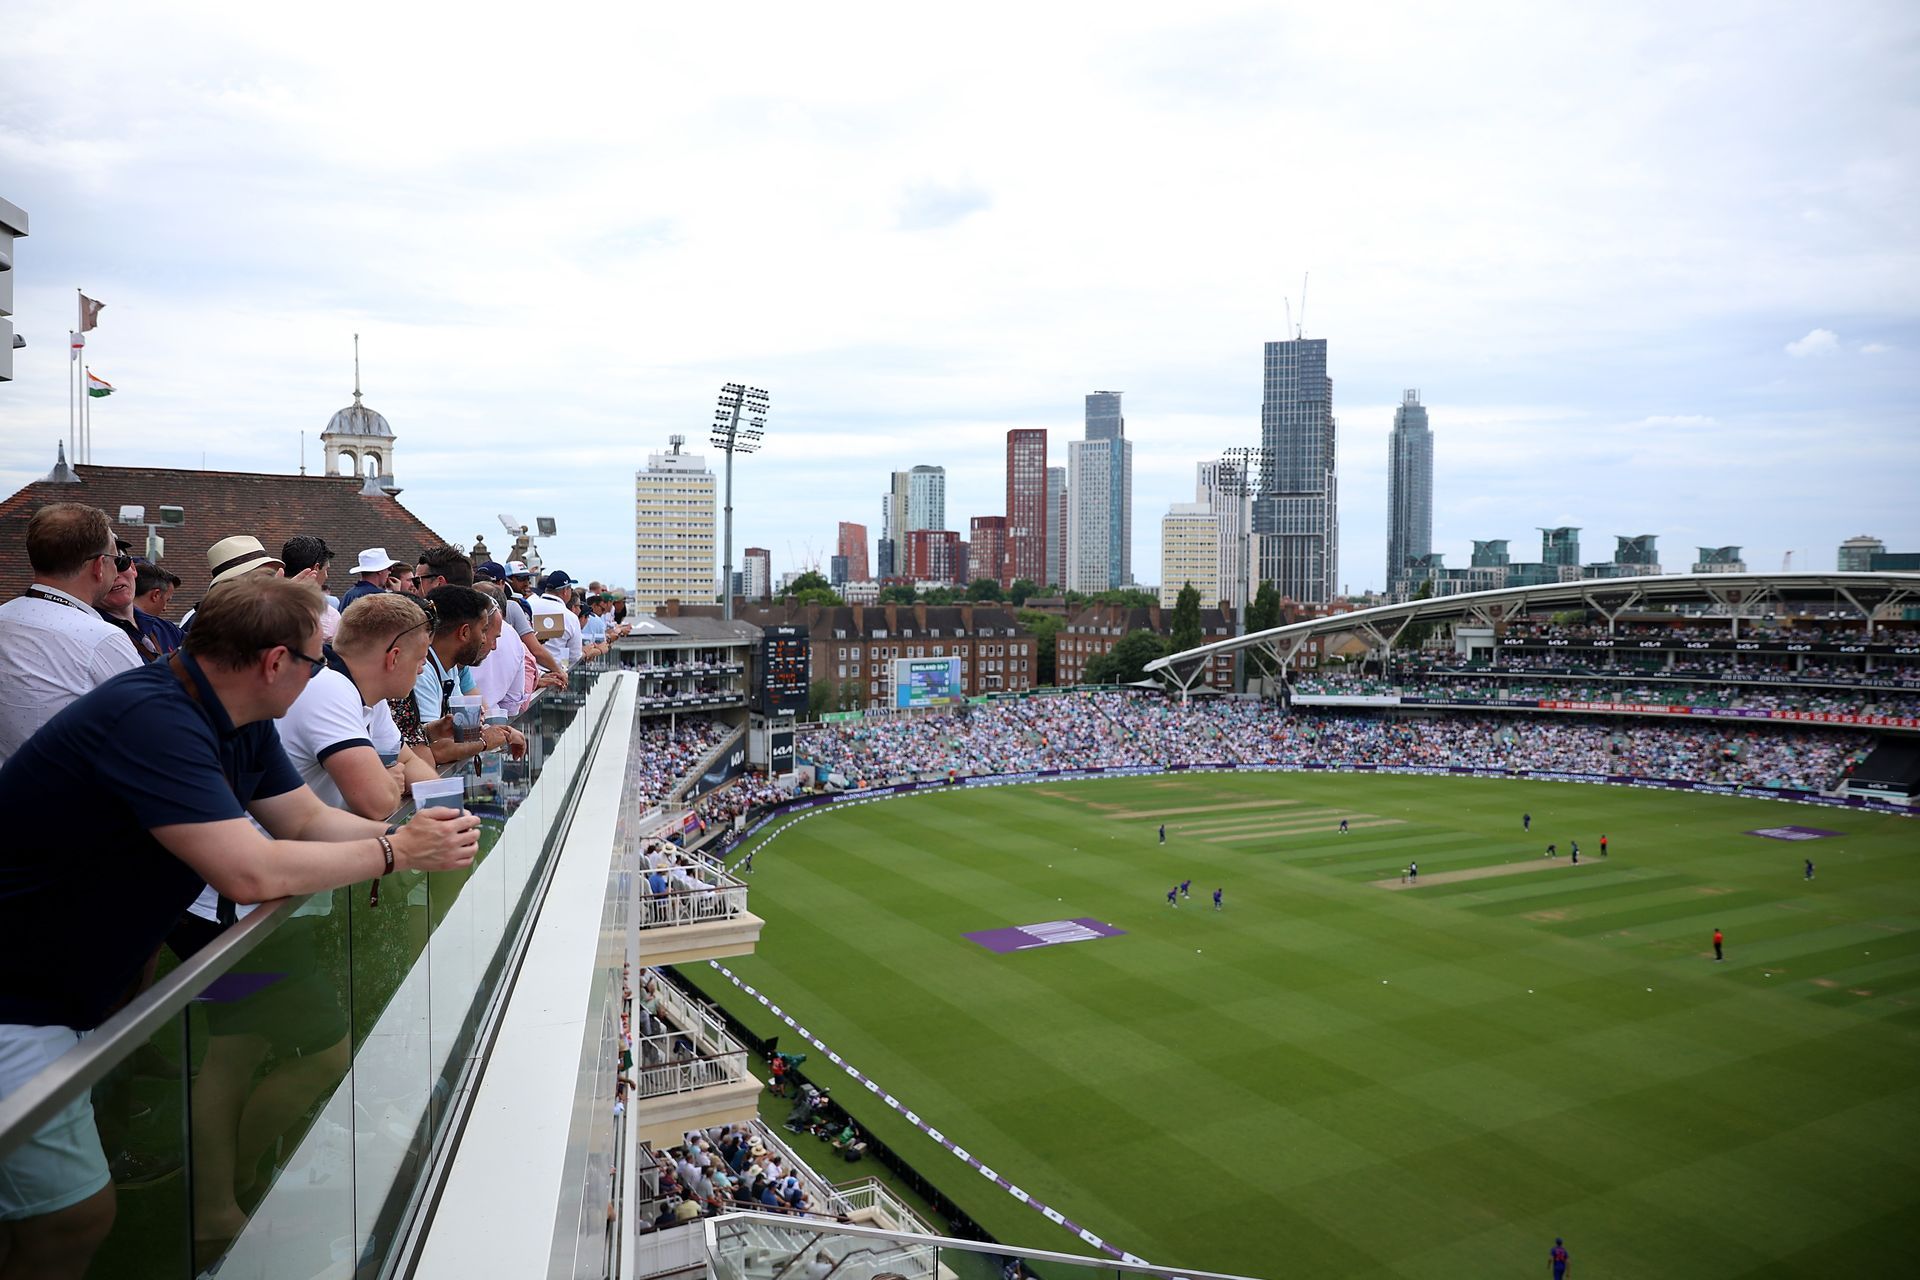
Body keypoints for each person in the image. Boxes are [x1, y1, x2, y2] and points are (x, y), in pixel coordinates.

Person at [0, 576, 479, 1277]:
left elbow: (306, 819)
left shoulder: (232, 714)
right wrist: (391, 851)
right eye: (318, 660)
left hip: (57, 987)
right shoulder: (155, 718)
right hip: (17, 997)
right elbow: (249, 873)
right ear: (274, 662)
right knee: (74, 1217)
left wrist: (404, 841)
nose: (324, 675)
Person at [0, 502, 143, 766]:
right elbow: (151, 730)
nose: (118, 567)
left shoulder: (4, 617)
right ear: (99, 566)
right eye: (117, 559)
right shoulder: (101, 638)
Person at [132, 560, 185, 656]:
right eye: (167, 600)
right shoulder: (166, 629)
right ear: (155, 595)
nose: (165, 608)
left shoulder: (167, 628)